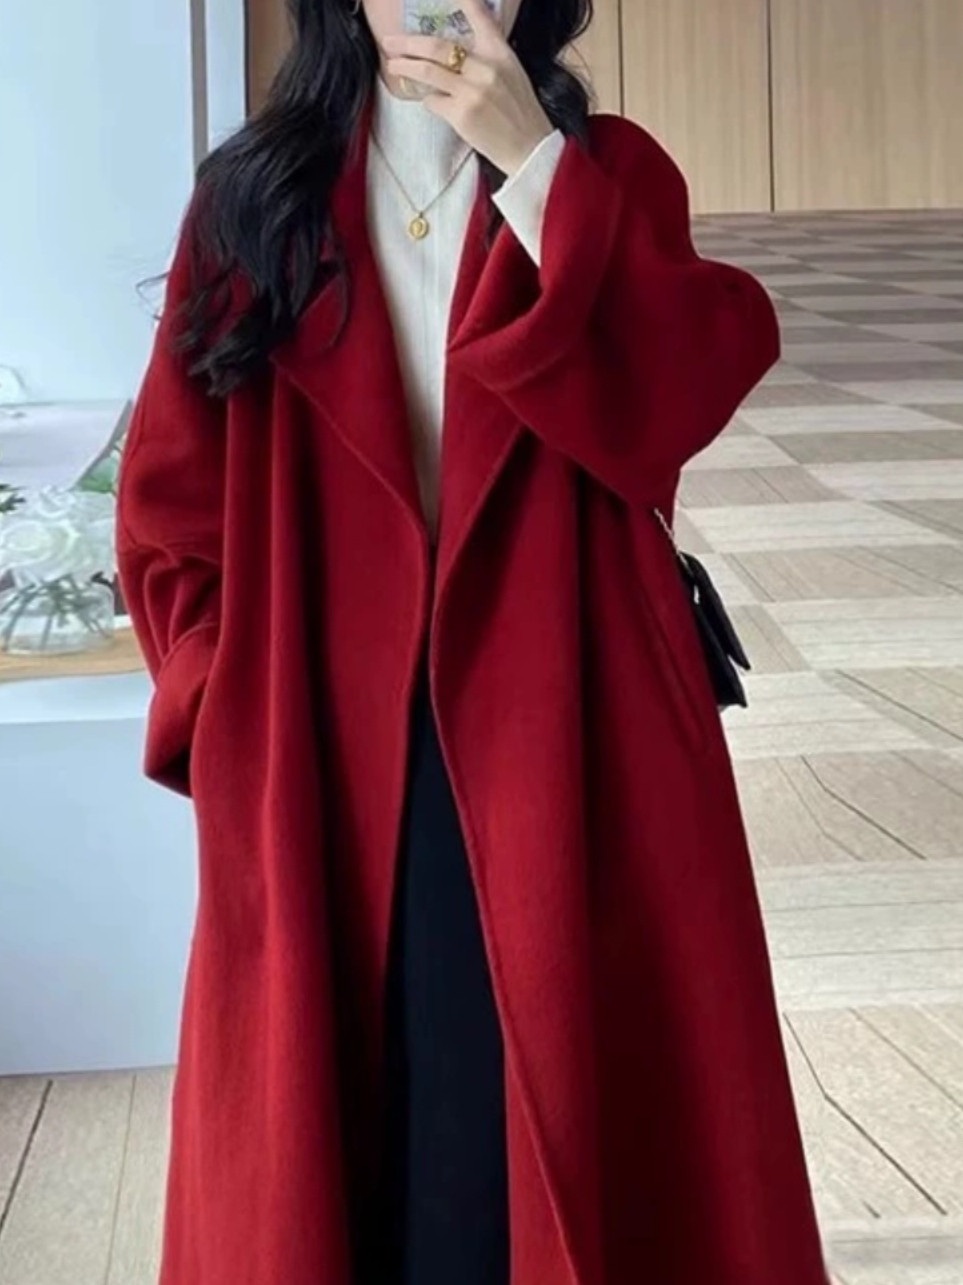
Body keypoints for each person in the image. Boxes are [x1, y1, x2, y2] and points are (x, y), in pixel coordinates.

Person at [115, 1, 833, 1283]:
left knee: (541, 1146)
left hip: (573, 731)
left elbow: (685, 394)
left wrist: (534, 166)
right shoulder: (254, 202)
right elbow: (172, 511)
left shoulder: (606, 174)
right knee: (351, 1148)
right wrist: (224, 702)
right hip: (320, 743)